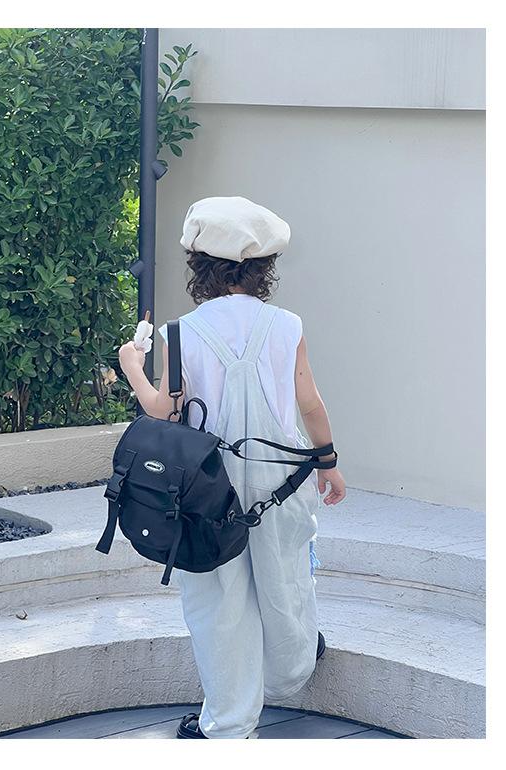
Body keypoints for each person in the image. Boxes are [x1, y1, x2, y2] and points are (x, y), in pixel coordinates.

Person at [117, 196, 346, 739]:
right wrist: (328, 461)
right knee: (286, 576)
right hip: (281, 481)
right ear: (264, 267)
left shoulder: (180, 333)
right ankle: (291, 669)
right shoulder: (286, 325)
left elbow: (165, 412)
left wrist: (132, 369)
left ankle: (229, 724)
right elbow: (310, 403)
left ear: (198, 266)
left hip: (206, 489)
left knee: (219, 598)